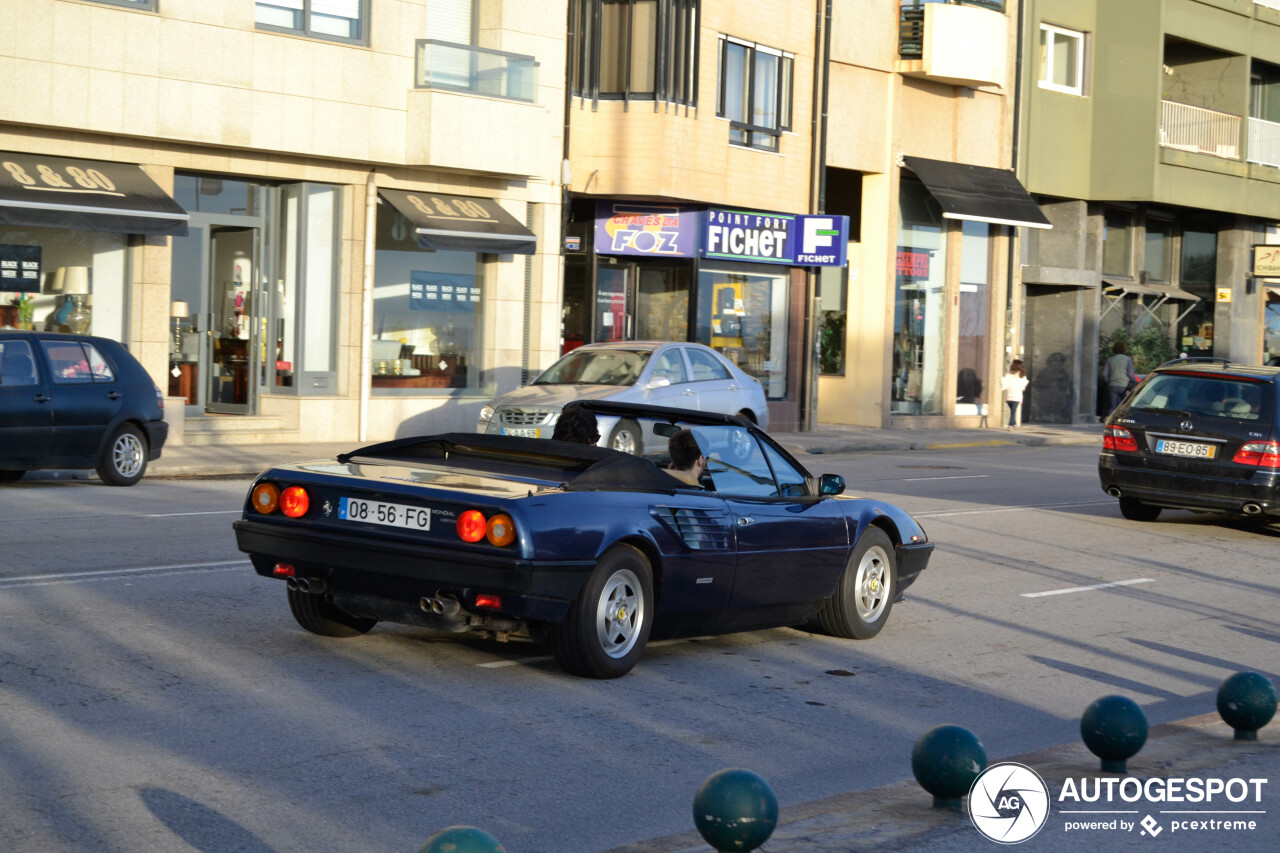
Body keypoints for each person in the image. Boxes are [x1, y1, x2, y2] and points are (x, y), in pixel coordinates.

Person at [1101, 340, 1137, 413]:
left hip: (1112, 385)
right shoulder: (1127, 359)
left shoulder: (1110, 359)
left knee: (1113, 407)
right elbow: (1130, 374)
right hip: (1124, 385)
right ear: (1124, 349)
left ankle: (1110, 421)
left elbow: (1104, 374)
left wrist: (1109, 381)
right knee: (1123, 407)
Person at [1000, 359, 1029, 431]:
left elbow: (1004, 385)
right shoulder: (1022, 376)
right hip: (1017, 396)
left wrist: (1002, 378)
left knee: (1013, 412)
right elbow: (1023, 386)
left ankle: (1014, 424)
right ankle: (1010, 425)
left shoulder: (1008, 375)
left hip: (1009, 397)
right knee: (1013, 412)